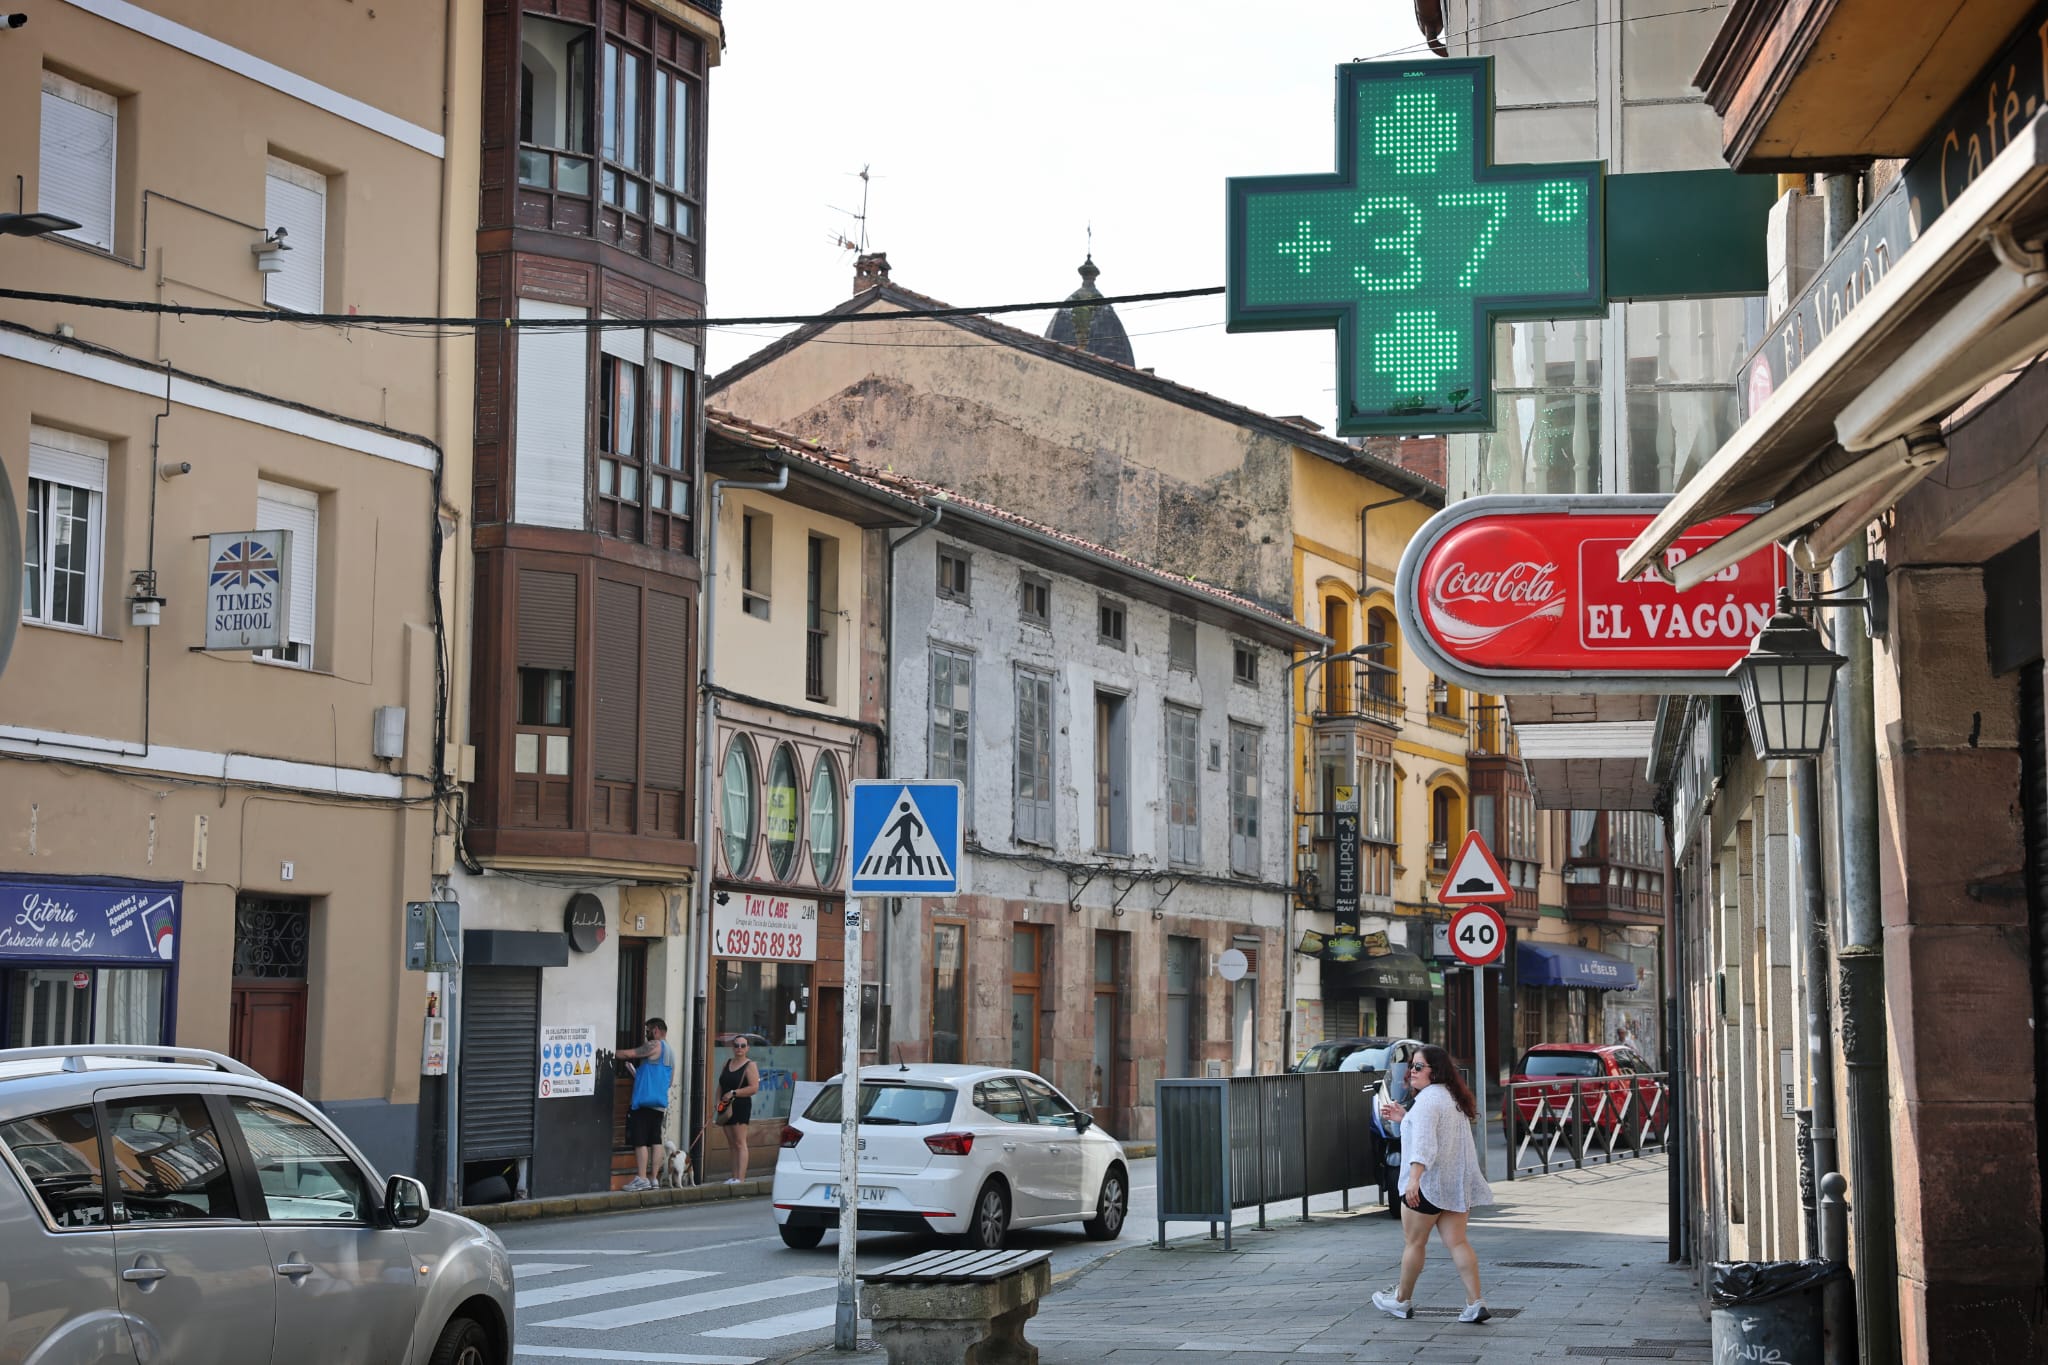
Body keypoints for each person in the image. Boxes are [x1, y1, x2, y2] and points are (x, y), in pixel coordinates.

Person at [1370, 1043, 1494, 1325]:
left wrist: (1414, 1180)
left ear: (1434, 1071)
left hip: (1427, 1186)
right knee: (1458, 1242)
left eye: (1418, 1067)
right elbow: (1433, 1133)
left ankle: (1401, 1301)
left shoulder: (1427, 1101)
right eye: (1410, 1066)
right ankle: (1475, 1302)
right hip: (1453, 1186)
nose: (1411, 1071)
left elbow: (1425, 1145)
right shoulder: (1451, 1097)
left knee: (1414, 1243)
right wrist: (1405, 1118)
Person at [615, 1018, 673, 1193]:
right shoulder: (670, 1052)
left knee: (640, 1141)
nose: (646, 1034)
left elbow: (629, 1054)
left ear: (656, 1030)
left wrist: (610, 1049)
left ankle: (641, 1178)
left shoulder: (655, 1045)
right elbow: (669, 1081)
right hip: (659, 1102)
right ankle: (653, 1178)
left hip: (643, 1101)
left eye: (648, 1030)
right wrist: (638, 1075)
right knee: (655, 1140)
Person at [716, 1036, 762, 1184]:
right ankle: (734, 1176)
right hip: (725, 1106)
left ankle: (740, 1178)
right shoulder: (727, 1063)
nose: (739, 1048)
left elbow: (754, 1088)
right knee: (731, 1143)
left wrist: (734, 1093)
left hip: (741, 1105)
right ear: (733, 1047)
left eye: (743, 1046)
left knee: (740, 1142)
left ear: (747, 1048)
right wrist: (717, 1102)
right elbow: (721, 1085)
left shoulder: (750, 1065)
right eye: (736, 1045)